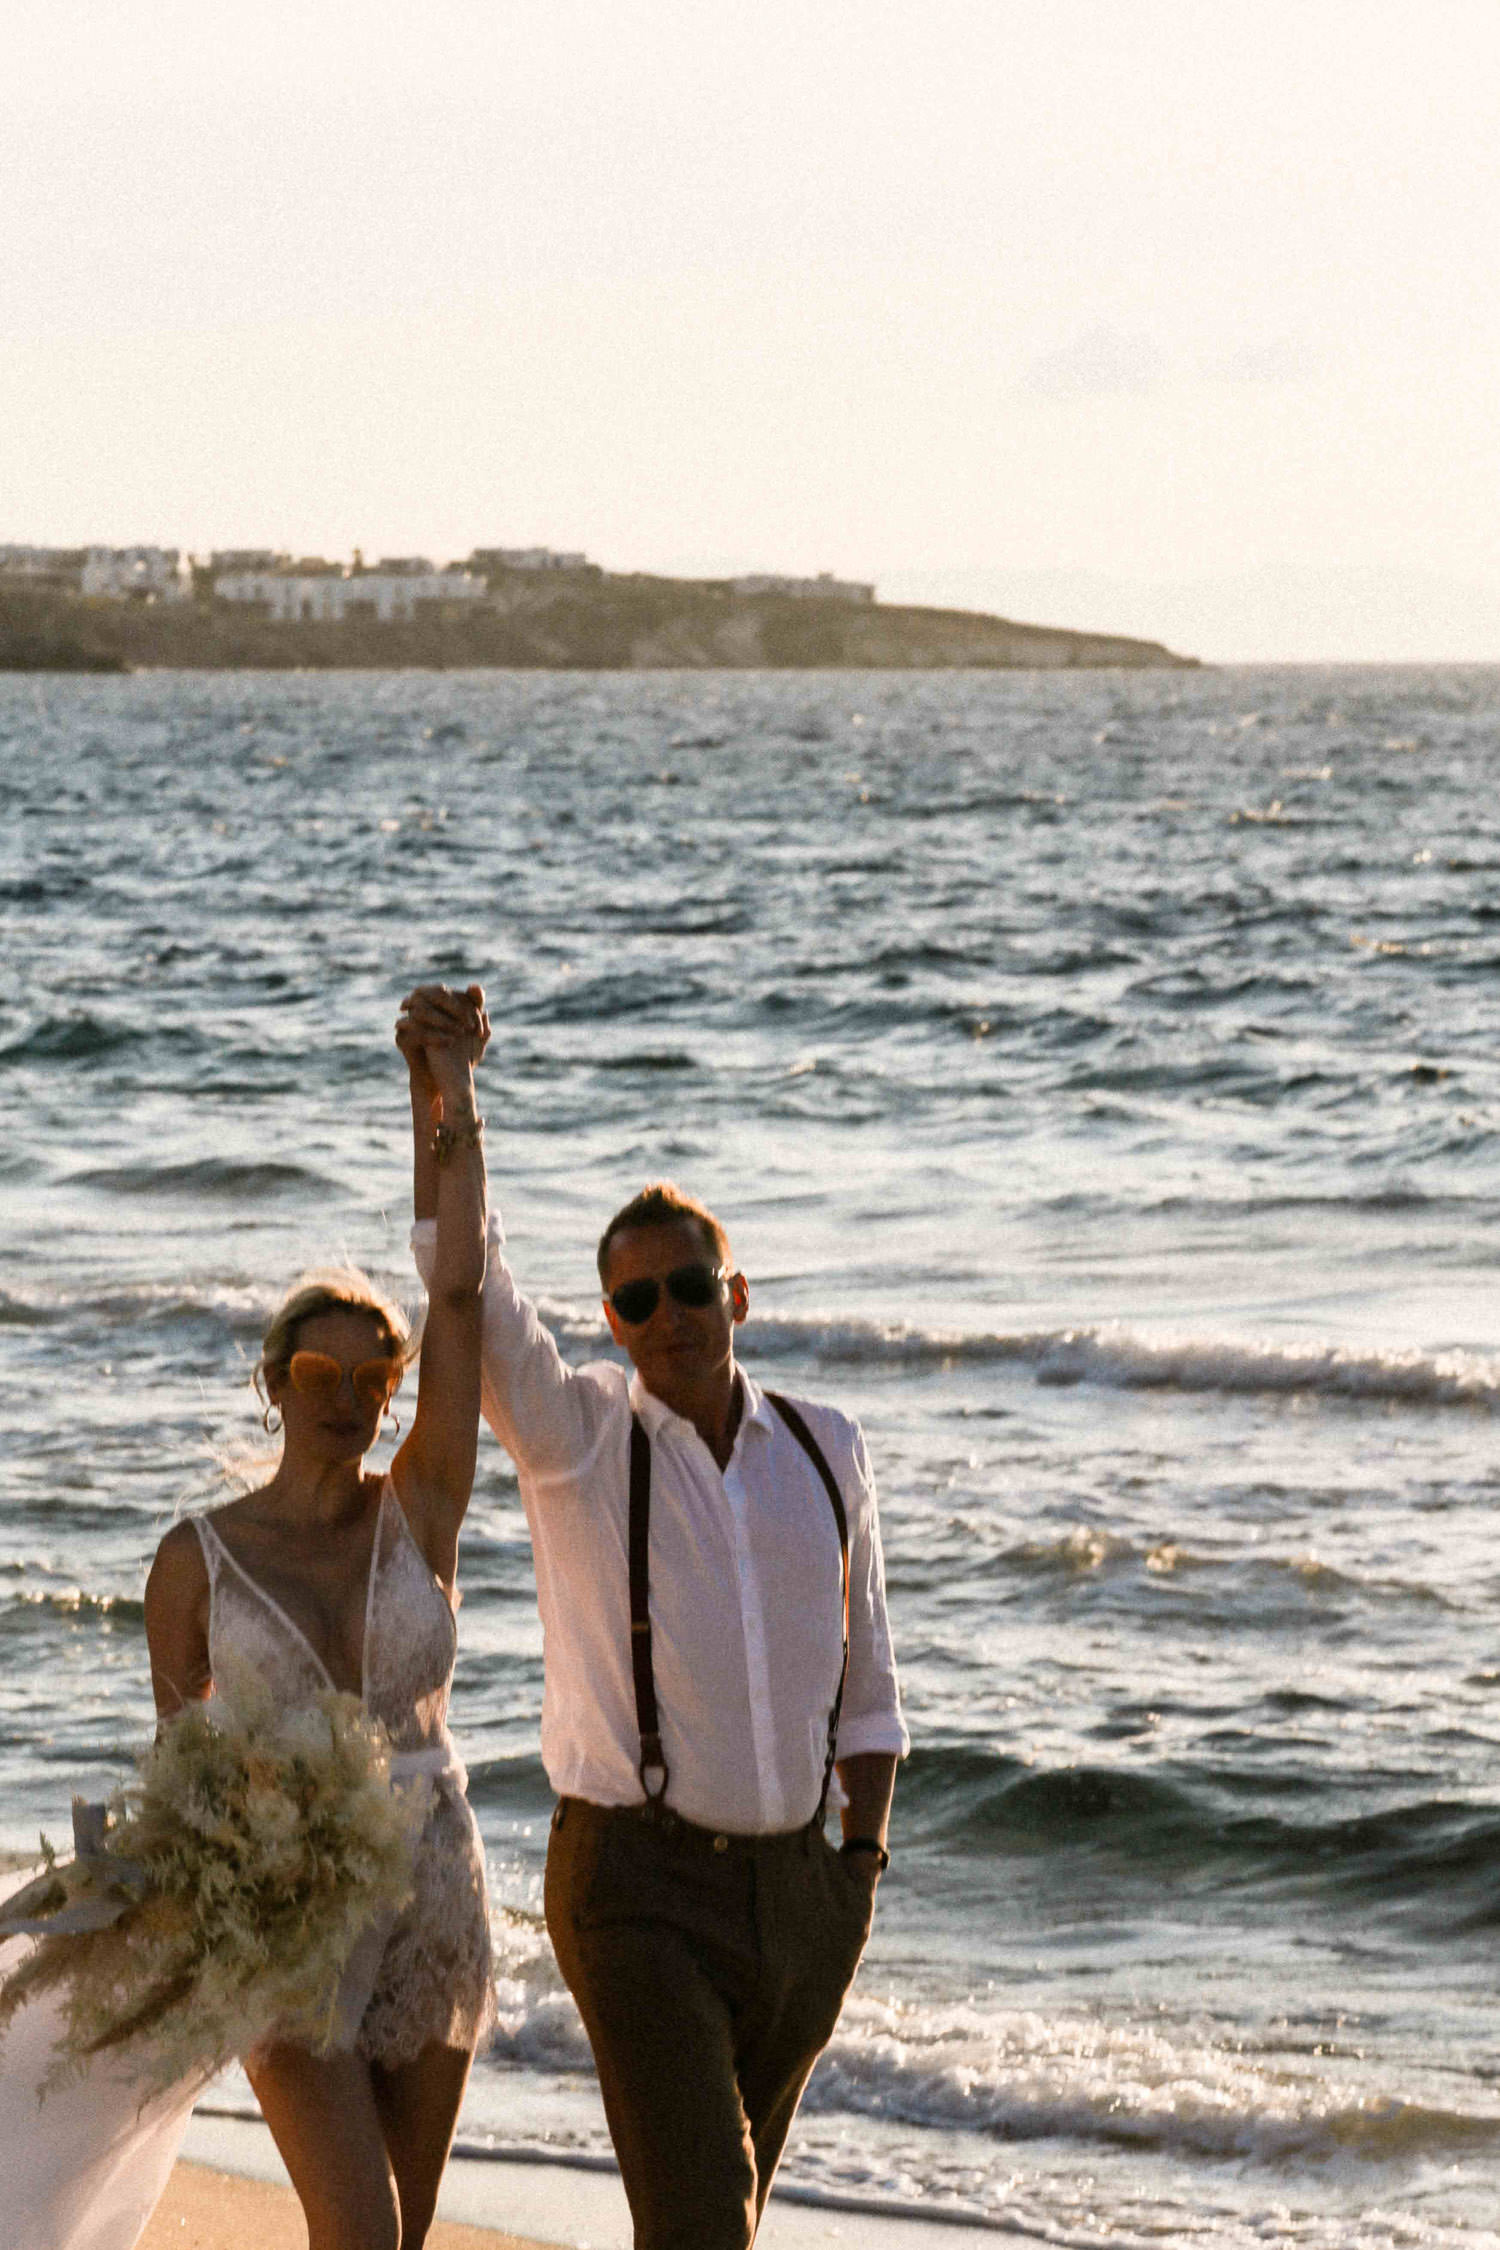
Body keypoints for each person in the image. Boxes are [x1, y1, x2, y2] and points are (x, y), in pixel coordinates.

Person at [401, 983, 908, 2250]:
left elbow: (872, 1688)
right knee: (701, 2228)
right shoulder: (576, 1439)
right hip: (636, 1886)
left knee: (715, 2218)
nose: (667, 1317)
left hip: (805, 1897)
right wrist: (450, 1096)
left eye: (689, 1287)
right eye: (636, 1302)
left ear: (737, 1294)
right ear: (613, 1322)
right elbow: (467, 1279)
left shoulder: (825, 1445)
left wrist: (858, 1873)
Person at [2, 994, 493, 2250]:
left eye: (374, 1382)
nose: (352, 1400)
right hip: (287, 1916)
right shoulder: (197, 1561)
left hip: (439, 1892)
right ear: (277, 1385)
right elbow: (182, 1778)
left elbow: (464, 1297)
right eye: (321, 1376)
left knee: (401, 2234)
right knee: (362, 2234)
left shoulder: (421, 1510)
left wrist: (443, 1098)